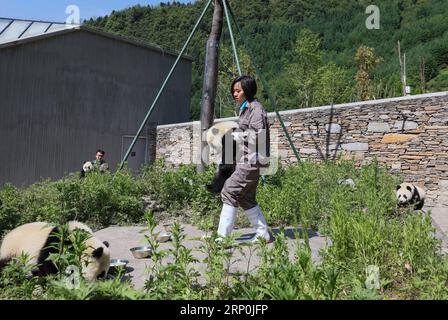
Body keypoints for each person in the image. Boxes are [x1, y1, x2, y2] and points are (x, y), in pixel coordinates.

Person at [217, 75, 272, 243]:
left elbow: (258, 135)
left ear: (247, 90)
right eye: (234, 91)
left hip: (252, 159)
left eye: (238, 90)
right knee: (245, 197)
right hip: (249, 158)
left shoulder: (256, 109)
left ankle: (222, 238)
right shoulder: (246, 108)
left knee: (229, 190)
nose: (235, 94)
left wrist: (236, 135)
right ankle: (263, 234)